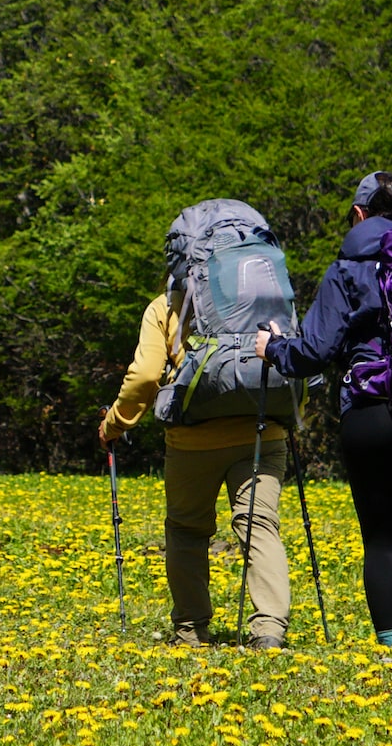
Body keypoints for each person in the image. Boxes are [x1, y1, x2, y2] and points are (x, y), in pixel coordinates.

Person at [257, 172, 392, 653]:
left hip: (371, 412)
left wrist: (273, 348)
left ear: (359, 215)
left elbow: (315, 350)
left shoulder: (349, 264)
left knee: (382, 540)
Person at [98, 224, 292, 650]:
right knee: (259, 526)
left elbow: (146, 375)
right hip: (262, 428)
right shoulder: (264, 297)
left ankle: (190, 630)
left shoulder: (165, 307)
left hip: (192, 440)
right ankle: (269, 629)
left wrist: (116, 422)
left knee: (186, 530)